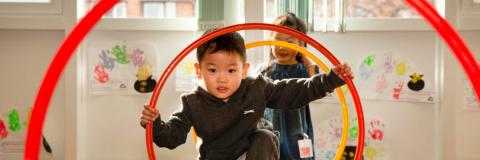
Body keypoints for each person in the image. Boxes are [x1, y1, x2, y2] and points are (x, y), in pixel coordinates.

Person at [140, 28, 353, 160]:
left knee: (265, 136)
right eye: (212, 70)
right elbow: (172, 137)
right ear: (199, 71)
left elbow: (294, 91)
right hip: (217, 156)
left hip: (253, 153)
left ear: (244, 70)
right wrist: (155, 124)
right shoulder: (192, 103)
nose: (222, 78)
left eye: (231, 70)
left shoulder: (255, 88)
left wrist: (331, 79)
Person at [259, 13, 342, 160]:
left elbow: (321, 89)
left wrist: (309, 63)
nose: (282, 46)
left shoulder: (304, 70)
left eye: (289, 42)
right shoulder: (264, 70)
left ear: (302, 44)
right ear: (269, 41)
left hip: (297, 129)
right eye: (277, 40)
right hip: (270, 128)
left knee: (298, 155)